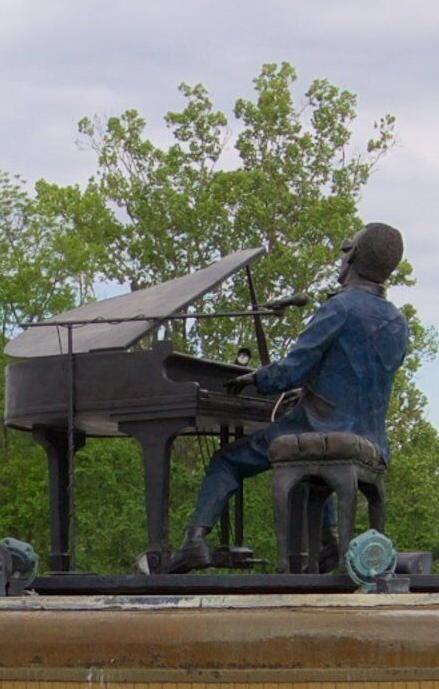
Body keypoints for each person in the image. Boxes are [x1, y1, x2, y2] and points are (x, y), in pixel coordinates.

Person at [170, 222, 408, 567]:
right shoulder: (398, 322)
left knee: (227, 460)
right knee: (317, 459)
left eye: (346, 249)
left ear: (352, 256)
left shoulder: (339, 309)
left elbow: (293, 369)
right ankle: (330, 540)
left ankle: (194, 540)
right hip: (372, 438)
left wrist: (257, 378)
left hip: (324, 424)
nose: (341, 259)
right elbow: (358, 375)